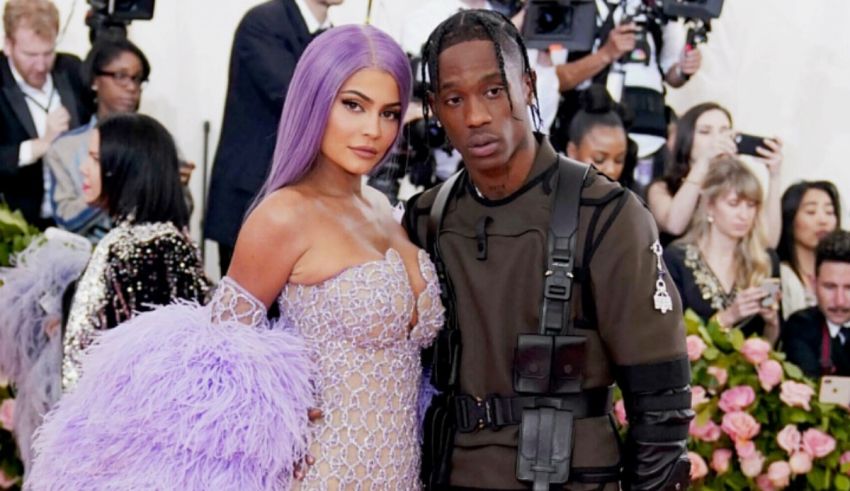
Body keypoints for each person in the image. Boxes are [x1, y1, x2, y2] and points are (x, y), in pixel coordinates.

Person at [28, 26, 444, 490]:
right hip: (324, 471)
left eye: (389, 112)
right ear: (314, 101)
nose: (374, 130)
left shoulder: (384, 209)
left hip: (402, 469)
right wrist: (278, 416)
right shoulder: (283, 216)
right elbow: (219, 363)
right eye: (353, 105)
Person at [404, 10, 692, 490]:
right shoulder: (425, 219)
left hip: (573, 476)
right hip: (449, 475)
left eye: (494, 91)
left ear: (529, 86)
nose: (475, 116)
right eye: (455, 99)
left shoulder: (607, 214)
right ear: (434, 106)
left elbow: (661, 405)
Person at [61, 113, 211, 389]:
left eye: (95, 158)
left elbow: (160, 366)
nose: (83, 168)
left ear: (126, 168)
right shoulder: (142, 240)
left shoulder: (148, 248)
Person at [205, 0, 343, 276]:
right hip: (254, 193)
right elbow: (295, 96)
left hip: (305, 198)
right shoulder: (264, 23)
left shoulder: (332, 36)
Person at [549, 0, 701, 155]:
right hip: (587, 139)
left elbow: (671, 74)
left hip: (649, 139)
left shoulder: (659, 6)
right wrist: (605, 54)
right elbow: (551, 79)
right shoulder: (568, 5)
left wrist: (683, 69)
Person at [664, 157, 781, 343]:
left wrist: (772, 322)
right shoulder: (676, 259)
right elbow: (669, 337)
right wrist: (729, 317)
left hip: (748, 371)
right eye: (733, 204)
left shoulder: (766, 261)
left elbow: (771, 347)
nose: (744, 215)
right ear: (710, 205)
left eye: (751, 205)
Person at [45, 37, 150, 242]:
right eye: (120, 76)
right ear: (95, 80)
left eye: (137, 79)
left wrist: (170, 186)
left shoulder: (157, 142)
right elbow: (66, 219)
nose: (131, 87)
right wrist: (112, 190)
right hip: (86, 261)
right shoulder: (64, 149)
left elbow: (182, 211)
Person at [0, 0, 91, 228]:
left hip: (75, 221)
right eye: (30, 55)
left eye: (48, 52)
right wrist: (38, 145)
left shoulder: (71, 69)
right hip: (18, 224)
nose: (41, 65)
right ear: (8, 45)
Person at [647, 102, 783, 246]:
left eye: (725, 131)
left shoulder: (736, 185)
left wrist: (775, 176)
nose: (718, 139)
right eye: (705, 132)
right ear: (686, 139)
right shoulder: (661, 188)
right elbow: (674, 225)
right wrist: (703, 161)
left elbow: (769, 242)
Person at [783, 230, 850, 379]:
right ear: (813, 284)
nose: (840, 301)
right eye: (830, 287)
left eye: (849, 288)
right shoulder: (800, 326)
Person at [777, 181, 841, 319]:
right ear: (790, 218)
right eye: (811, 212)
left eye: (829, 212)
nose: (823, 220)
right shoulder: (774, 273)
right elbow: (765, 323)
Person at [565, 84, 634, 187]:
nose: (611, 170)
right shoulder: (550, 196)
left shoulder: (630, 199)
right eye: (599, 159)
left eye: (619, 160)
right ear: (572, 152)